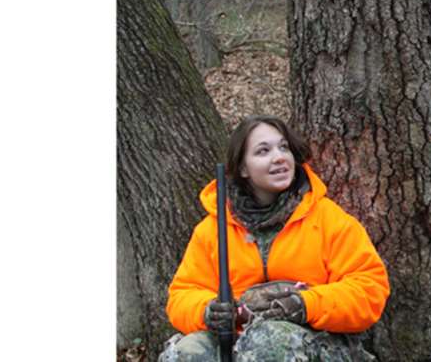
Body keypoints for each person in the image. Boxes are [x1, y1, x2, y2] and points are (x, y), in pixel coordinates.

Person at [159, 115, 390, 362]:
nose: (279, 157)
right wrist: (207, 310)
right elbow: (183, 294)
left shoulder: (328, 219)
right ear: (242, 168)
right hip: (237, 341)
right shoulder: (212, 230)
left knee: (270, 340)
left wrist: (306, 304)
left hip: (318, 342)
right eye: (263, 151)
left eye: (284, 147)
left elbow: (369, 287)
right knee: (186, 353)